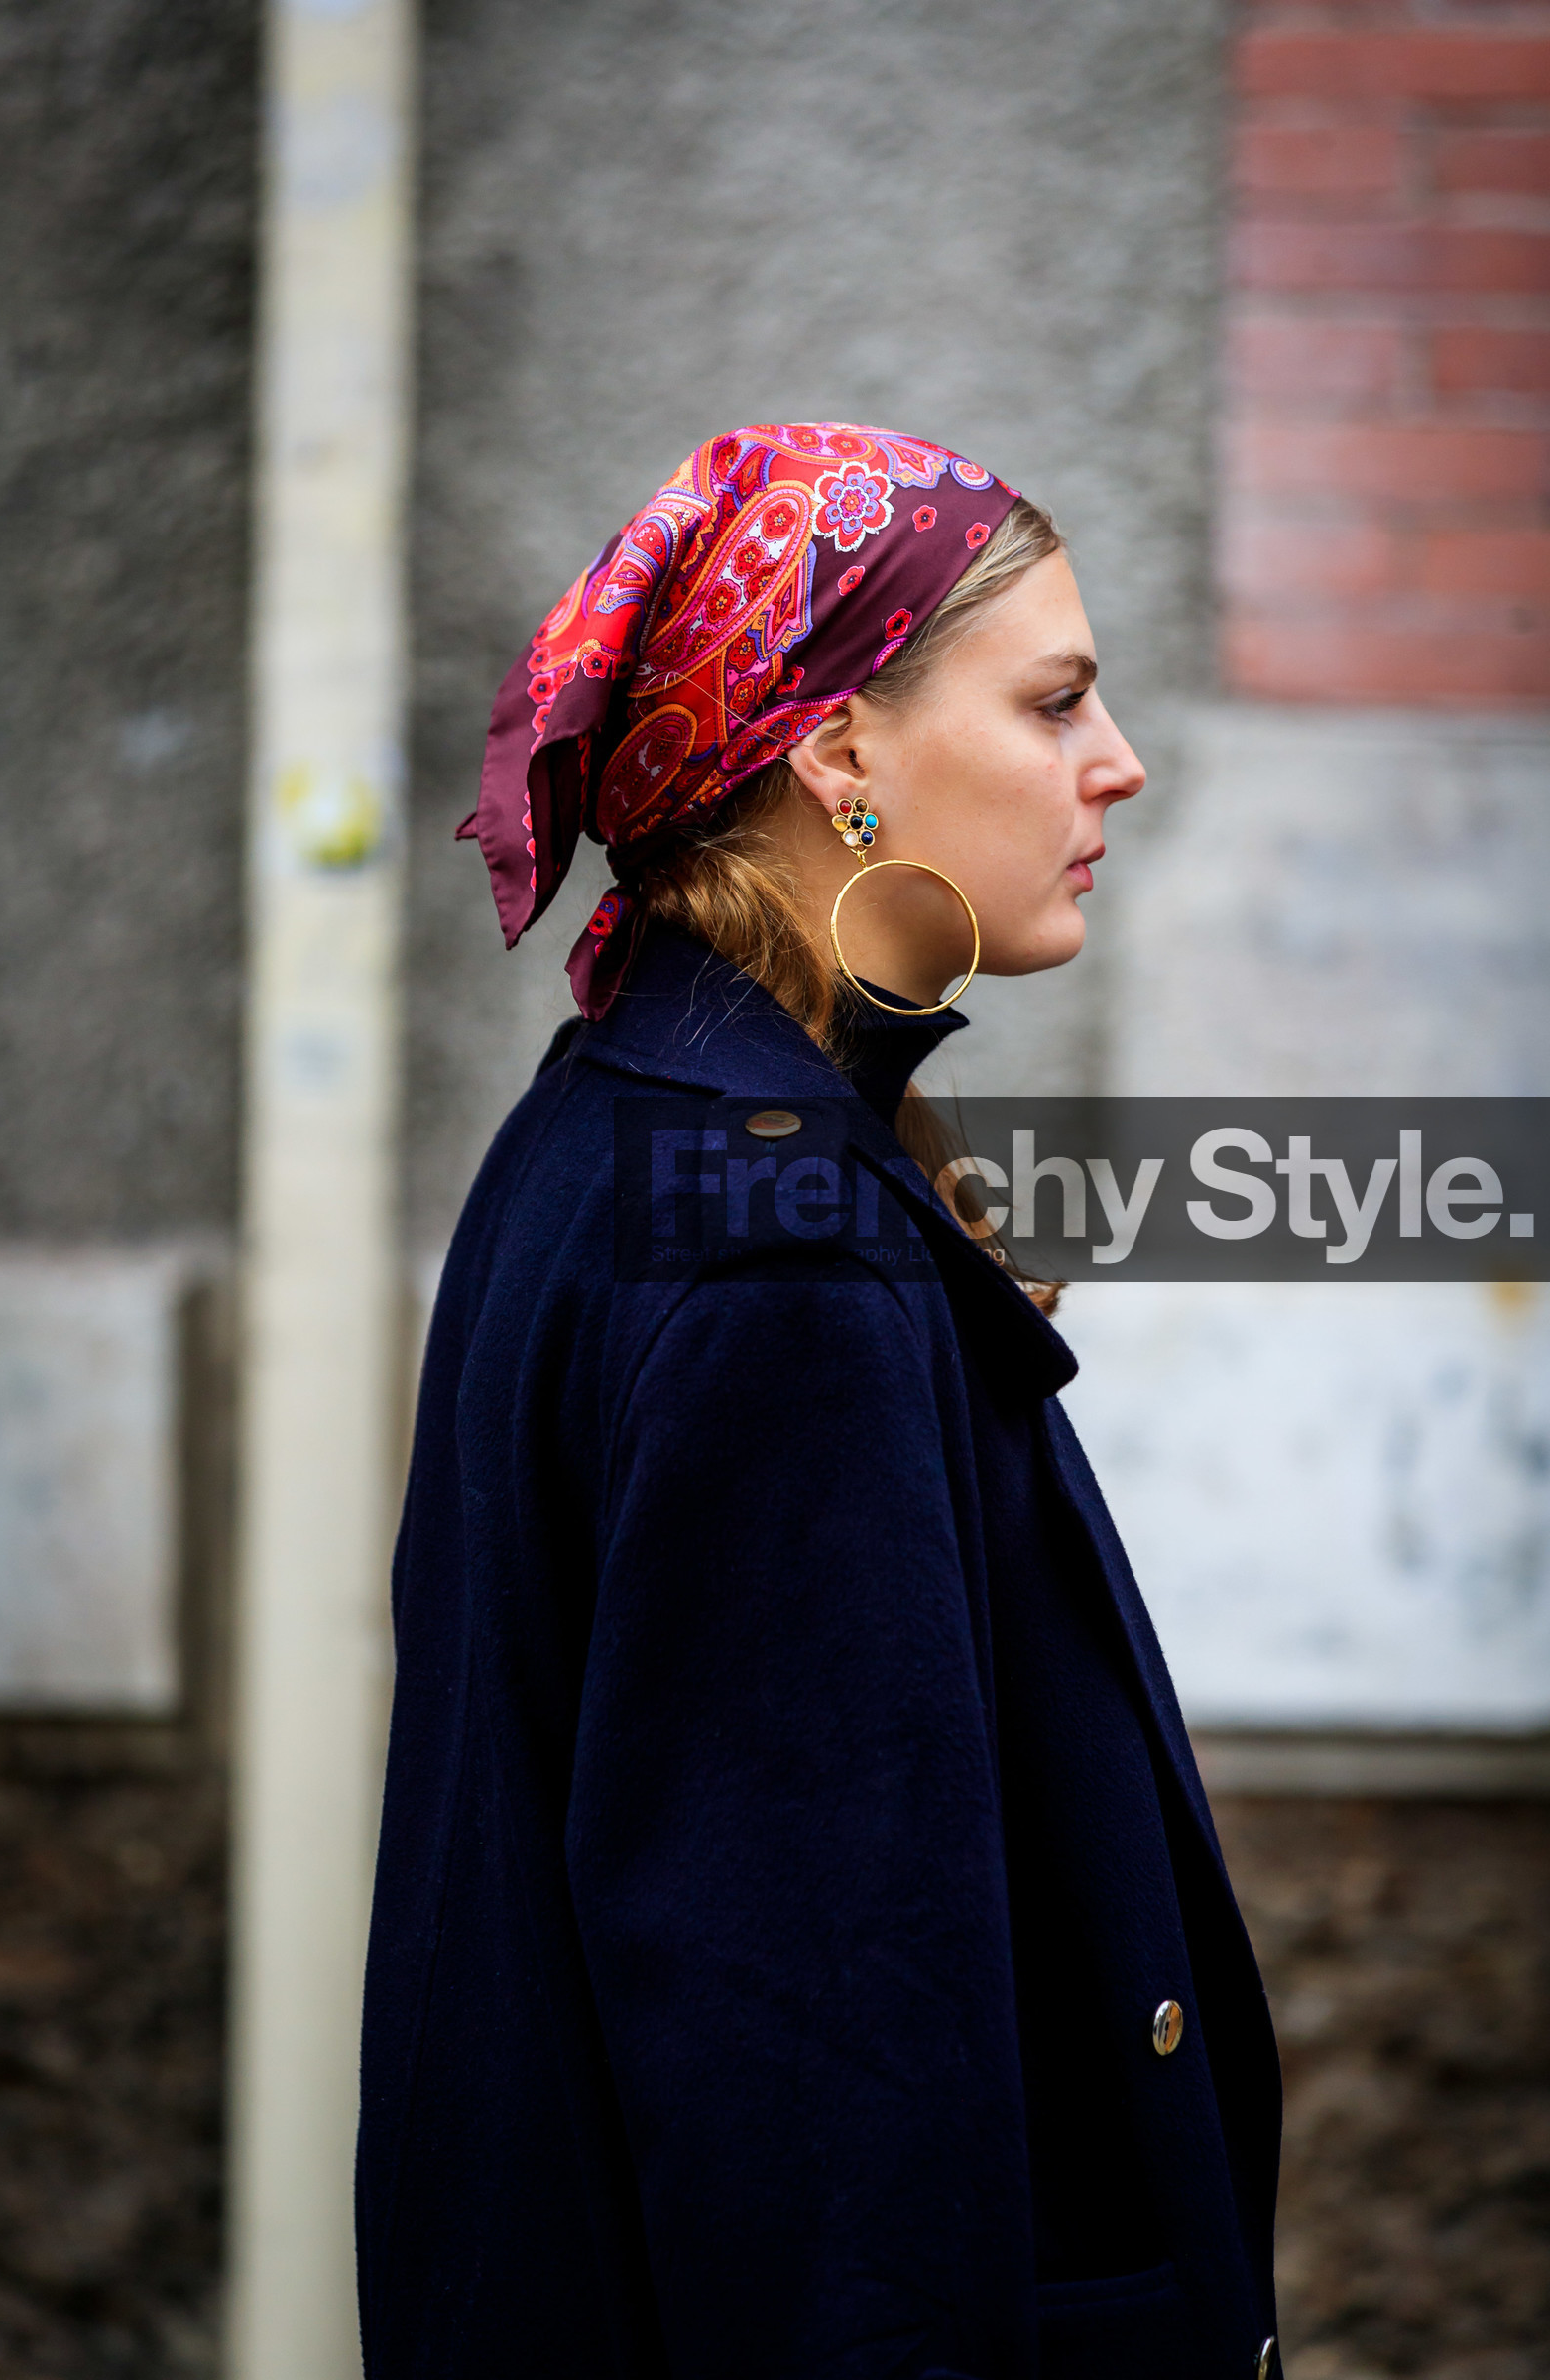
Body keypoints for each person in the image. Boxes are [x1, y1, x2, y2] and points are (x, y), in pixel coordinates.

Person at [357, 425, 1283, 2380]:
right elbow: (820, 2078)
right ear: (837, 757)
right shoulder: (775, 1249)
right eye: (1049, 703)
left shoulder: (629, 1119)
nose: (1114, 760)